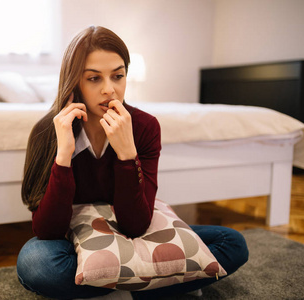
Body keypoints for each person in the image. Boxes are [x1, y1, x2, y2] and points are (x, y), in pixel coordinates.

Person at [17, 26, 248, 300]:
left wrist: (127, 154)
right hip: (73, 237)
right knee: (37, 264)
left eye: (118, 76)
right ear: (74, 81)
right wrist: (64, 156)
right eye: (93, 78)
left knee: (232, 244)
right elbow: (48, 231)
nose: (109, 90)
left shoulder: (145, 126)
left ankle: (113, 294)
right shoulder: (48, 130)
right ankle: (154, 290)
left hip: (131, 230)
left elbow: (136, 225)